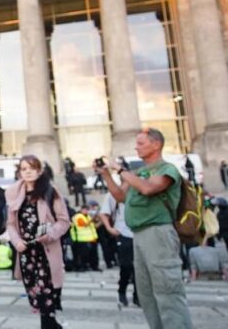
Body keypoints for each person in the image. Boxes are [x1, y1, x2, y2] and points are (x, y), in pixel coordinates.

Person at [97, 127, 193, 329]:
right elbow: (121, 197)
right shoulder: (139, 173)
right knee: (147, 292)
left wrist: (122, 171)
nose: (136, 147)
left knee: (167, 289)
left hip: (158, 232)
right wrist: (106, 175)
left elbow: (148, 188)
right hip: (138, 235)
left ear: (156, 144)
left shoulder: (167, 169)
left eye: (141, 143)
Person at [5, 155, 70, 329]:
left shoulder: (50, 191)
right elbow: (10, 224)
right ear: (19, 172)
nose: (27, 172)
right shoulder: (13, 193)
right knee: (37, 295)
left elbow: (64, 221)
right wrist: (16, 241)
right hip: (26, 251)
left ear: (39, 170)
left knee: (46, 294)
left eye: (32, 168)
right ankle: (53, 325)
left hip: (46, 250)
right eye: (24, 169)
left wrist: (50, 234)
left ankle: (49, 326)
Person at [98, 192, 139, 307]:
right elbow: (104, 213)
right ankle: (122, 291)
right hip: (123, 232)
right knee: (126, 265)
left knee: (140, 268)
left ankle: (138, 295)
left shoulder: (141, 188)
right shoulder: (114, 193)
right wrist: (109, 228)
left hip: (140, 233)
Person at [70, 204, 99, 271]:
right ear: (81, 209)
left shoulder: (88, 216)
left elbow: (93, 226)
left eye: (87, 210)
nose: (86, 211)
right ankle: (83, 266)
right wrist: (93, 218)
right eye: (85, 209)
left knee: (93, 254)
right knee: (83, 255)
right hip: (81, 239)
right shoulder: (78, 216)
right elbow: (84, 225)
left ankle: (94, 266)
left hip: (91, 238)